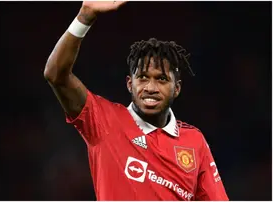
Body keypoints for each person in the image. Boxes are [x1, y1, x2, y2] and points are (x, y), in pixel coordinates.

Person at [44, 1, 228, 201]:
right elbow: (56, 75)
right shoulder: (103, 120)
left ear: (177, 88)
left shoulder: (194, 141)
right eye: (143, 77)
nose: (150, 87)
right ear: (130, 84)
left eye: (162, 79)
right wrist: (84, 16)